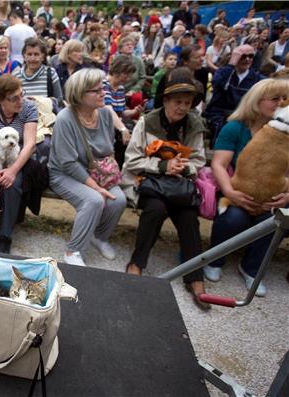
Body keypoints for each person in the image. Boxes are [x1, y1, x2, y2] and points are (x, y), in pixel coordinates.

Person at [122, 68, 210, 310]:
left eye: (187, 103)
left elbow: (200, 160)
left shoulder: (194, 125)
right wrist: (162, 165)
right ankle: (136, 263)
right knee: (155, 208)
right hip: (149, 183)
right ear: (166, 101)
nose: (182, 107)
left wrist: (183, 167)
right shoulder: (147, 122)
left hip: (178, 185)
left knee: (189, 215)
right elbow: (131, 160)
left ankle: (194, 276)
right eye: (177, 102)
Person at [203, 79, 289, 296]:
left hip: (272, 196)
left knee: (274, 222)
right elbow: (219, 164)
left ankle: (252, 268)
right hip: (237, 190)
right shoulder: (236, 128)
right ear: (256, 101)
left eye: (284, 98)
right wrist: (230, 191)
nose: (280, 103)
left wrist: (287, 196)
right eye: (274, 98)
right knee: (234, 218)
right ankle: (214, 259)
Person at [49, 68, 127, 267]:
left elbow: (108, 148)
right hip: (64, 173)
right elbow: (67, 163)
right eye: (96, 90)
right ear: (79, 95)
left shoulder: (105, 115)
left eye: (103, 88)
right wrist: (98, 188)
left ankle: (99, 237)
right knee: (94, 200)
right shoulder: (65, 119)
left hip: (95, 170)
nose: (103, 93)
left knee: (119, 200)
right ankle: (72, 251)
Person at [0, 75, 37, 254]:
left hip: (17, 160)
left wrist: (12, 171)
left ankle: (5, 235)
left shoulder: (29, 108)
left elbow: (30, 144)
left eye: (21, 94)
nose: (20, 101)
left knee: (13, 184)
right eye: (14, 98)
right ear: (1, 100)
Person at [204, 45, 264, 146]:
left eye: (250, 56)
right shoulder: (223, 72)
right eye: (243, 56)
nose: (247, 59)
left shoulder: (258, 79)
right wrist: (231, 64)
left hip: (245, 118)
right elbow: (217, 83)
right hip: (220, 116)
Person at [13, 37, 63, 103]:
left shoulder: (50, 73)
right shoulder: (16, 76)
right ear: (24, 56)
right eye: (29, 54)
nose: (32, 58)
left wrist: (40, 101)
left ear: (42, 56)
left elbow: (59, 99)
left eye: (36, 54)